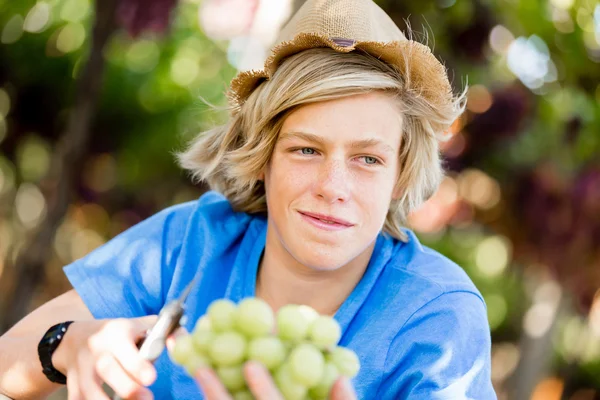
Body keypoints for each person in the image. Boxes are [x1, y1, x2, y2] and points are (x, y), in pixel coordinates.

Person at [0, 0, 497, 399]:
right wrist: (64, 346)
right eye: (306, 149)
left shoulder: (438, 315)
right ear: (262, 157)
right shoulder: (190, 240)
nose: (333, 186)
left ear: (399, 174)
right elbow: (7, 360)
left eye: (368, 159)